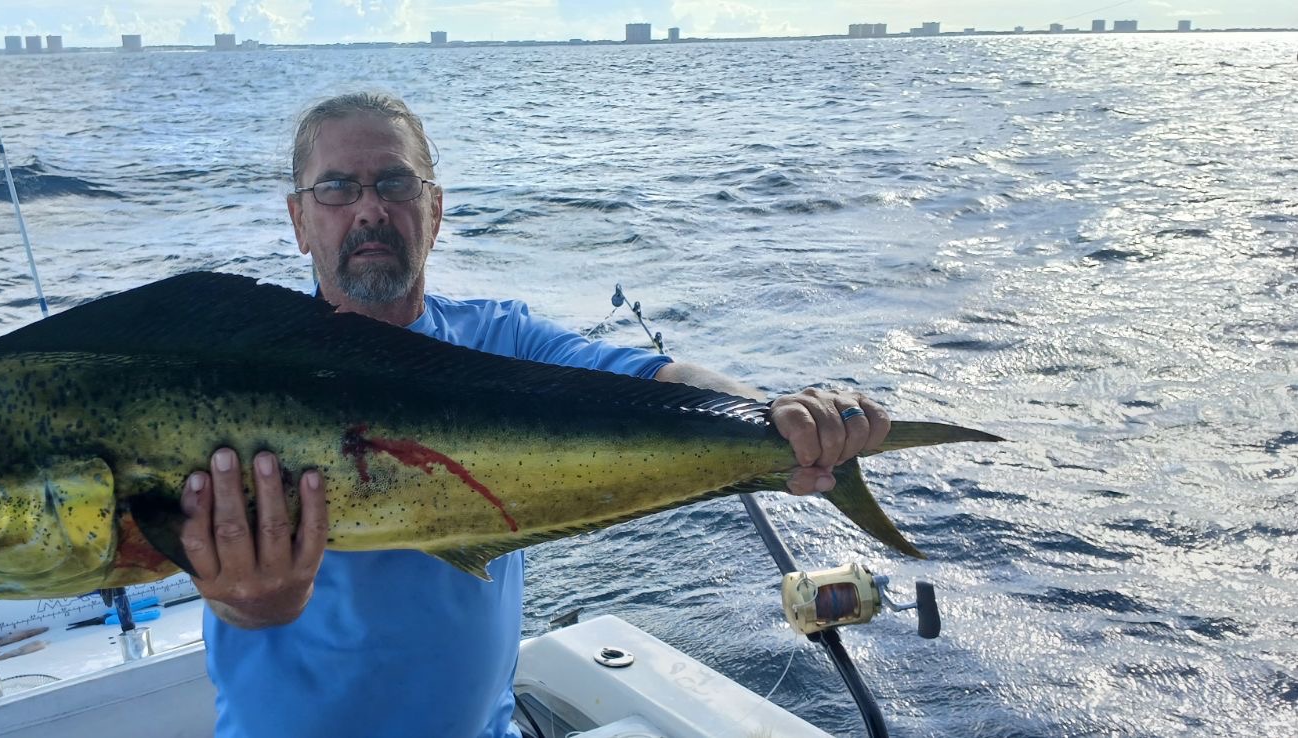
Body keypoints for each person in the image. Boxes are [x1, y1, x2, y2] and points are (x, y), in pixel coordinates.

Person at [175, 92, 893, 738]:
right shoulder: (235, 377)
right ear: (300, 220)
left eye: (394, 183)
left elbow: (658, 379)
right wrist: (246, 606)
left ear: (435, 211)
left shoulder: (501, 340)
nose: (369, 209)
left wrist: (774, 414)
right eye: (336, 188)